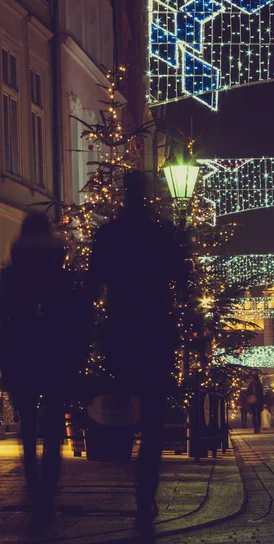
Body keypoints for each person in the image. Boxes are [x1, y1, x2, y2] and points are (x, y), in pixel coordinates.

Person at [87, 170, 184, 530]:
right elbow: (182, 281)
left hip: (121, 334)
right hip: (156, 333)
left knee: (124, 413)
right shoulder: (163, 235)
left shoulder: (109, 235)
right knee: (154, 416)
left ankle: (137, 486)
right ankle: (146, 491)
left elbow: (92, 284)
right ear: (148, 196)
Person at [0, 213, 87, 528]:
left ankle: (34, 486)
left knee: (26, 427)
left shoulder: (10, 277)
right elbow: (78, 322)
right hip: (56, 357)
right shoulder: (62, 276)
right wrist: (78, 357)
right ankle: (47, 492)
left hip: (21, 355)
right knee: (52, 426)